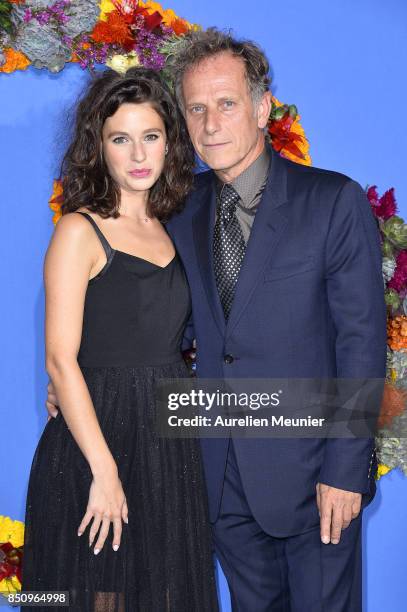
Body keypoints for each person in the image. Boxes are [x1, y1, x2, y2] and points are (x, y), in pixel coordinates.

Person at [46, 29, 387, 611]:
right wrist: (72, 377)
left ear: (261, 107)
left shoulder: (332, 201)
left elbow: (362, 341)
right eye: (196, 109)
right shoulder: (177, 208)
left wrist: (346, 469)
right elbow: (152, 319)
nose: (210, 124)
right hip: (215, 478)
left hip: (315, 480)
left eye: (226, 104)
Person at [23, 67, 219, 612]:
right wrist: (104, 473)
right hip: (96, 439)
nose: (138, 154)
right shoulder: (77, 230)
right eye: (120, 138)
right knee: (94, 595)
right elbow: (61, 361)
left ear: (169, 143)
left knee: (164, 592)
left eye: (151, 136)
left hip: (168, 438)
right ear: (99, 146)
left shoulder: (176, 225)